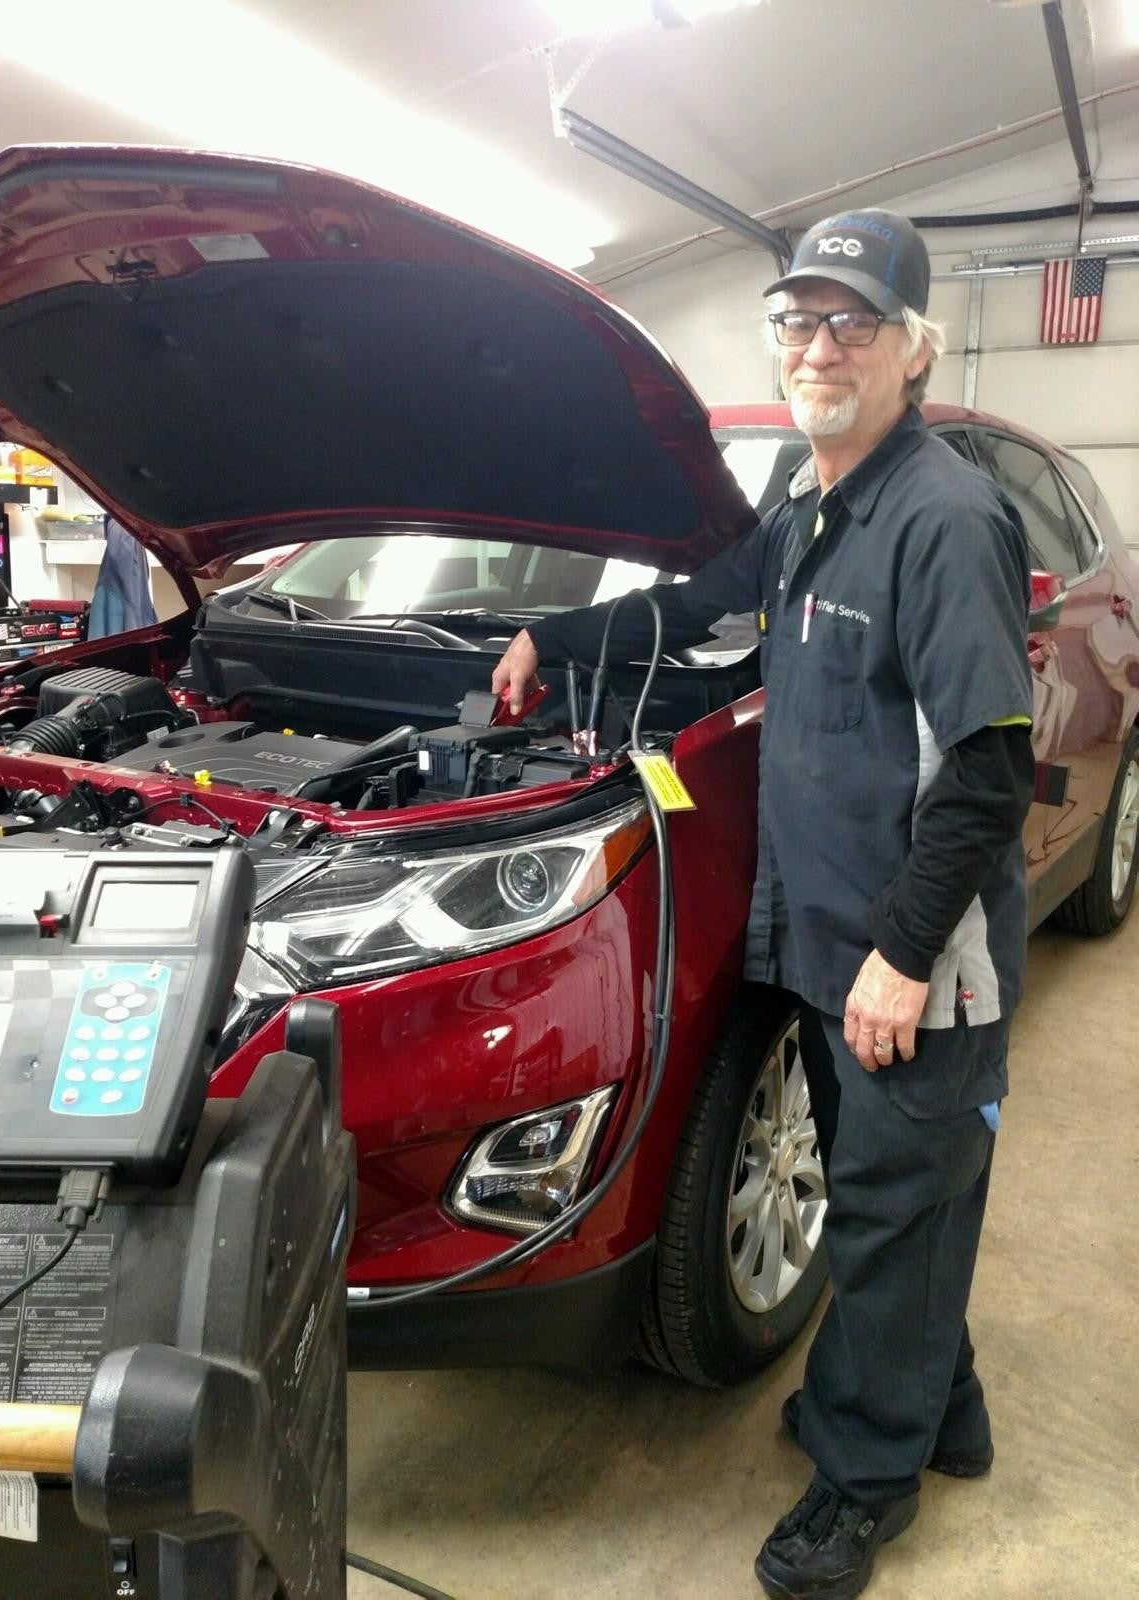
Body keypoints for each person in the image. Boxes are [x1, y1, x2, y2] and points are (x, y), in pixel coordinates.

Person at [491, 209, 1035, 1600]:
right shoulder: (809, 504)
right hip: (832, 934)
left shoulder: (944, 518)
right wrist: (553, 638)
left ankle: (864, 1486)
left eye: (855, 322)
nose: (820, 345)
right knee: (901, 1204)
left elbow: (987, 773)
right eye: (799, 320)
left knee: (887, 1211)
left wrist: (905, 960)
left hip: (917, 958)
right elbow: (703, 601)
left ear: (916, 349)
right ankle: (940, 1412)